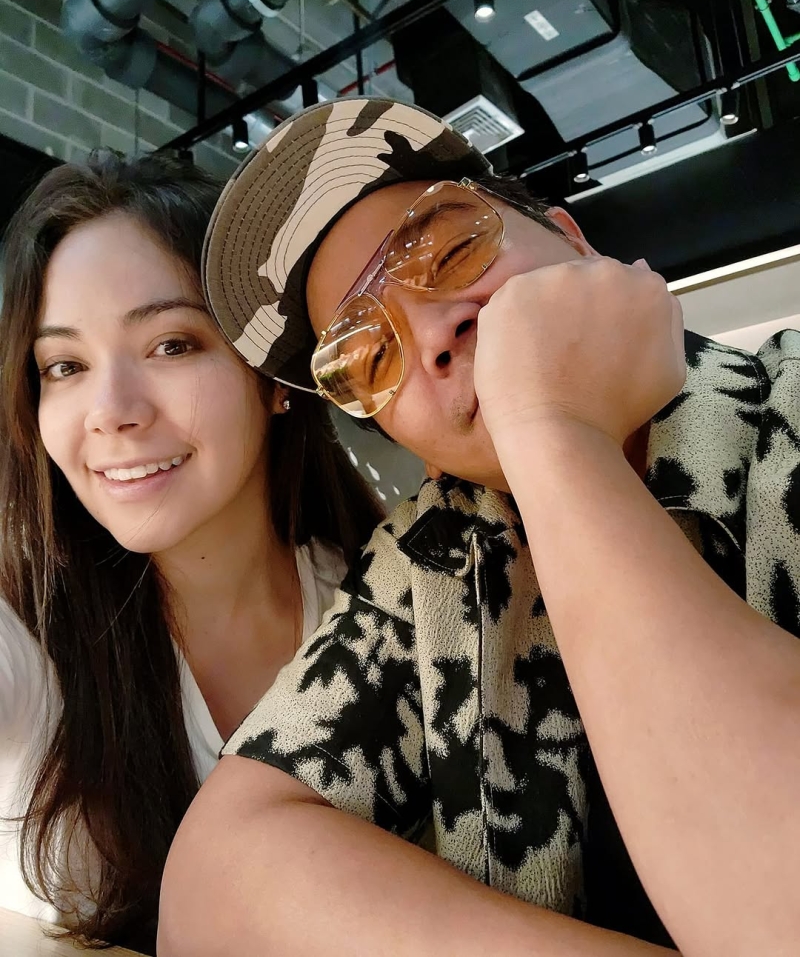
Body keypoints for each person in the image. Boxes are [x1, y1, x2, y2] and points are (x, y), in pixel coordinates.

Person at [160, 98, 800, 956]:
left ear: (573, 239)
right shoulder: (432, 552)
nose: (431, 329)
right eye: (369, 354)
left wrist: (553, 428)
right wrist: (550, 432)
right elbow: (214, 881)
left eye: (455, 249)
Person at [0, 151, 382, 953]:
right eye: (64, 365)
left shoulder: (380, 596)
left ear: (273, 375)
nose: (110, 411)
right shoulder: (26, 624)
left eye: (171, 344)